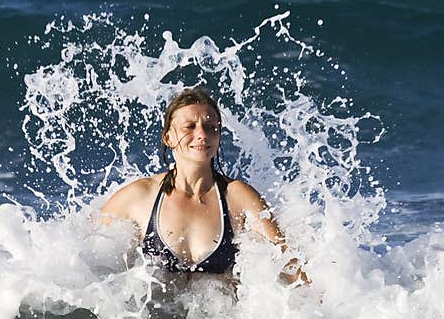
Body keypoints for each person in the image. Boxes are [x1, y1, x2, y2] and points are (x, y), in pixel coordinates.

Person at [99, 86, 308, 286]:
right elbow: (88, 261)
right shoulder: (138, 197)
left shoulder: (237, 197)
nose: (202, 134)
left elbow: (290, 267)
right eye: (190, 126)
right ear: (168, 137)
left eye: (210, 127)